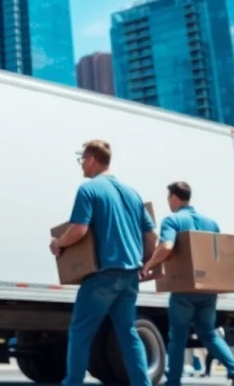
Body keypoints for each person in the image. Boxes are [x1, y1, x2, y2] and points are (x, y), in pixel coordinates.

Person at [49, 139, 157, 386]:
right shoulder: (132, 193)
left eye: (82, 160)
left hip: (103, 276)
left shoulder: (89, 190)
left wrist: (58, 243)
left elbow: (78, 229)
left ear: (92, 160)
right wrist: (145, 263)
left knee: (80, 331)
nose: (81, 165)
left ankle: (72, 383)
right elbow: (151, 236)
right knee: (128, 333)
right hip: (130, 276)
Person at [140, 181, 234, 386]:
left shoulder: (172, 220)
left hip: (184, 290)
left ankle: (173, 381)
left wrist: (149, 265)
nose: (168, 202)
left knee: (177, 337)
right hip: (208, 289)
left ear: (174, 197)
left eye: (168, 198)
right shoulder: (211, 223)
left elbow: (167, 246)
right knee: (209, 334)